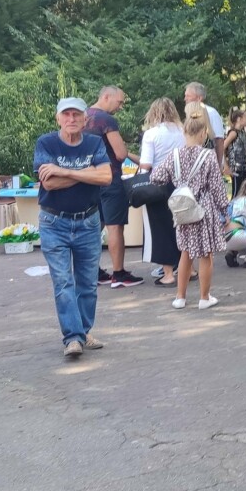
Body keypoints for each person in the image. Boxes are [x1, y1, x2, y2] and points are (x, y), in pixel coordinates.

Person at [35, 98, 112, 360]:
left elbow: (106, 177)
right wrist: (85, 172)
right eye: (66, 114)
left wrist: (62, 170)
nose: (71, 119)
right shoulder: (46, 143)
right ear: (58, 118)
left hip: (89, 222)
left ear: (85, 119)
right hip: (54, 223)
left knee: (88, 283)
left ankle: (83, 331)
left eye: (76, 115)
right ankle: (72, 338)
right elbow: (49, 184)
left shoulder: (94, 142)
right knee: (63, 281)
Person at [152, 113, 226, 310]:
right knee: (206, 254)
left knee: (185, 252)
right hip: (203, 209)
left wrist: (177, 184)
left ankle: (180, 297)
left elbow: (156, 177)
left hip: (183, 211)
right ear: (203, 133)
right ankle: (204, 297)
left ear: (184, 132)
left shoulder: (174, 155)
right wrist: (224, 208)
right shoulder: (208, 155)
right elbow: (217, 187)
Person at [85, 86, 142, 288]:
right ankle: (119, 273)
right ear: (106, 97)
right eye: (119, 102)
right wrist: (139, 160)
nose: (120, 106)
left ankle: (92, 271)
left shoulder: (82, 117)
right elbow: (120, 153)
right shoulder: (106, 120)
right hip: (110, 178)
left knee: (94, 226)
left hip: (89, 178)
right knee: (115, 226)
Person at [138, 97, 184, 287]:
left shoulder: (151, 134)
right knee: (181, 226)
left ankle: (168, 274)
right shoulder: (182, 131)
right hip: (181, 184)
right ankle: (188, 269)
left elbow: (146, 164)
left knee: (161, 229)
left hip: (159, 185)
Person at [183, 82, 226, 163]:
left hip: (207, 162)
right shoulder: (188, 113)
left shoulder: (211, 113)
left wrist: (219, 164)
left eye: (188, 96)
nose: (185, 99)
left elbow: (219, 140)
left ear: (199, 98)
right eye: (185, 95)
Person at [224, 107, 246, 198]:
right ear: (239, 119)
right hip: (236, 169)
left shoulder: (243, 133)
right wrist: (226, 166)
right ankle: (232, 211)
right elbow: (222, 148)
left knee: (245, 194)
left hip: (245, 169)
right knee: (236, 194)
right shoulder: (233, 133)